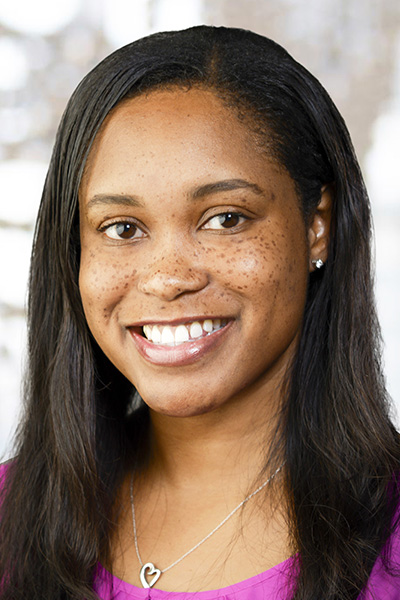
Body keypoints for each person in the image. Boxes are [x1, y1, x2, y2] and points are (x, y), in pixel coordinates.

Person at [0, 24, 399, 600]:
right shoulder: (12, 515)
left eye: (226, 218)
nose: (167, 279)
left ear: (318, 227)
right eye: (122, 228)